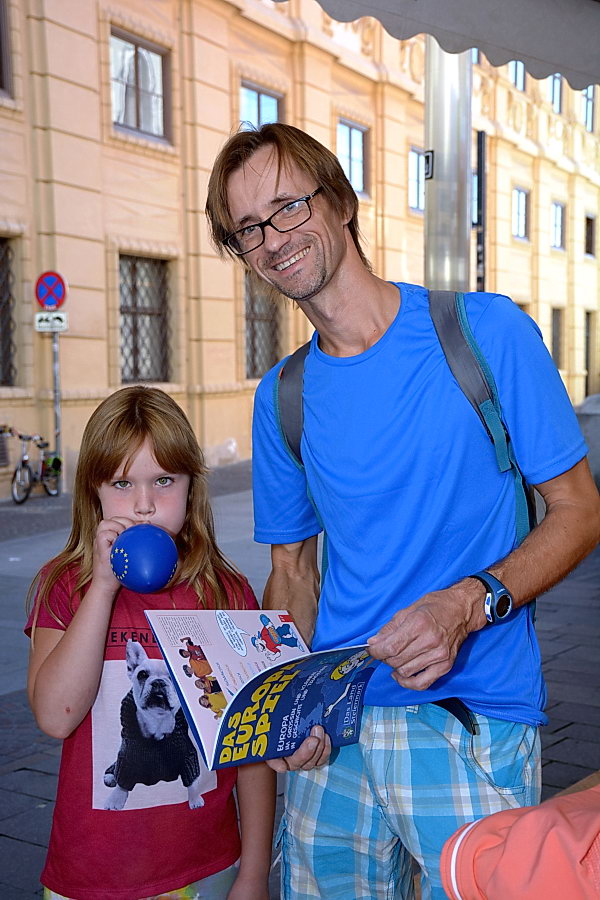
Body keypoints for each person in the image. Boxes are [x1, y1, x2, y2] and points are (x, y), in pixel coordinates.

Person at [205, 122, 600, 899]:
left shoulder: (484, 333)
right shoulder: (282, 395)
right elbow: (293, 573)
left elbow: (579, 511)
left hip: (469, 715)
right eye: (248, 227)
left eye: (288, 206)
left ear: (341, 202)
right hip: (335, 735)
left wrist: (469, 603)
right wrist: (285, 705)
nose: (273, 239)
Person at [26, 386, 276, 900]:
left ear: (190, 486)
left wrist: (253, 873)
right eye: (122, 484)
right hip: (94, 873)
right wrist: (102, 588)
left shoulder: (224, 592)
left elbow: (251, 747)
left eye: (164, 480)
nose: (143, 505)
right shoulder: (65, 586)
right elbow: (56, 716)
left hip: (206, 865)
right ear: (94, 491)